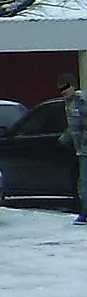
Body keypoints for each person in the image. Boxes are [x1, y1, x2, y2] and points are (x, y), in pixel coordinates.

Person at [61, 74, 87, 224]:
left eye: (65, 88)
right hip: (81, 149)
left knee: (84, 183)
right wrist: (66, 137)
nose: (63, 92)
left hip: (84, 147)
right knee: (83, 183)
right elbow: (73, 126)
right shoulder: (68, 103)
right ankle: (84, 212)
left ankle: (84, 213)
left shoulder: (82, 101)